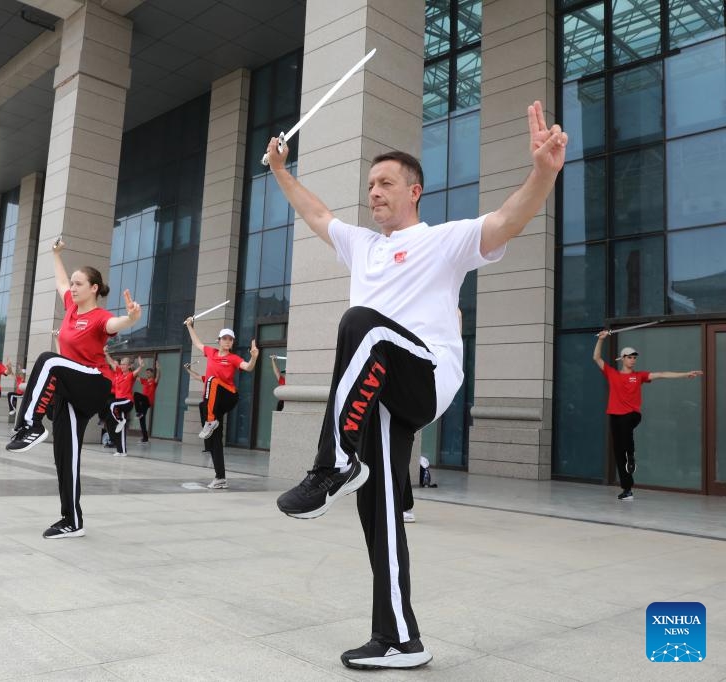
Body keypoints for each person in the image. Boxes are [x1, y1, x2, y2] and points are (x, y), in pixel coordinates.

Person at [265, 101, 568, 670]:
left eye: (385, 183)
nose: (374, 192)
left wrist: (543, 172)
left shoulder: (443, 240)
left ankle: (332, 465)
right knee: (378, 516)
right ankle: (401, 639)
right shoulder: (362, 246)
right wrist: (282, 170)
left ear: (414, 192)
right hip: (377, 397)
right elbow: (316, 214)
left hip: (423, 377)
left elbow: (507, 220)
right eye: (370, 185)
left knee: (362, 325)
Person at [6, 238, 141, 539]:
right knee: (65, 453)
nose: (75, 288)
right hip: (71, 389)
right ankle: (72, 520)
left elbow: (117, 324)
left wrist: (132, 317)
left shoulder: (99, 318)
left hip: (94, 382)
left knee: (48, 361)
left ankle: (29, 425)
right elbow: (61, 280)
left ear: (94, 288)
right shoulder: (70, 307)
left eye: (81, 284)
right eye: (75, 284)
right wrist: (55, 254)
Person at [592, 330, 702, 501]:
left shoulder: (639, 376)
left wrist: (685, 374)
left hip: (632, 415)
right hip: (615, 415)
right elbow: (597, 358)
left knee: (626, 430)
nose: (633, 359)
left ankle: (631, 454)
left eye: (635, 357)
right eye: (629, 357)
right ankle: (627, 489)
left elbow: (662, 374)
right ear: (622, 359)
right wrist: (601, 339)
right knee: (618, 451)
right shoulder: (612, 374)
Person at [183, 321, 259, 489]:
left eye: (230, 339)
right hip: (211, 401)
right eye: (224, 338)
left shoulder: (233, 358)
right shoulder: (211, 352)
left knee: (212, 380)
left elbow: (248, 367)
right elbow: (197, 343)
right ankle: (220, 478)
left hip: (229, 396)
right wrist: (190, 326)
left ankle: (211, 421)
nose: (227, 341)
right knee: (214, 439)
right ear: (218, 340)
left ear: (232, 343)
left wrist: (253, 357)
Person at [104, 351, 141, 457]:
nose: (121, 365)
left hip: (127, 401)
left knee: (111, 404)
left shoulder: (130, 375)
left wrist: (140, 366)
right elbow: (112, 363)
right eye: (121, 364)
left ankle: (120, 420)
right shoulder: (118, 374)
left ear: (129, 366)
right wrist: (105, 353)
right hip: (119, 403)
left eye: (124, 364)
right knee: (121, 429)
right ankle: (121, 451)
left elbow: (136, 372)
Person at [134, 360, 160, 443]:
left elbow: (158, 377)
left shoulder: (153, 382)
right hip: (143, 403)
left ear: (152, 373)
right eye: (146, 373)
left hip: (148, 401)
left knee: (136, 394)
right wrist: (132, 368)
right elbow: (136, 376)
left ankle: (138, 412)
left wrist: (158, 369)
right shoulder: (144, 381)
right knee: (142, 419)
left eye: (149, 373)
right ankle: (145, 438)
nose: (147, 374)